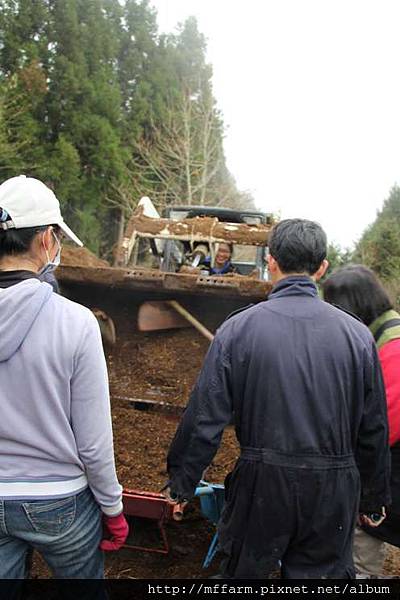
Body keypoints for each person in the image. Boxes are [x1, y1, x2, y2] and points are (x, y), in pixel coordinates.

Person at [166, 218, 391, 579]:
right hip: (332, 490)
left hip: (262, 486)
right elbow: (373, 426)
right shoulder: (358, 337)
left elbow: (205, 417)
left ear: (271, 261)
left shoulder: (238, 329)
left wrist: (182, 483)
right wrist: (374, 496)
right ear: (322, 268)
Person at [0, 175, 128, 583]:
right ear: (44, 240)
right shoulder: (76, 322)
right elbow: (93, 441)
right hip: (59, 501)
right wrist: (112, 507)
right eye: (56, 236)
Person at [323, 265, 400, 577]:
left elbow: (386, 424)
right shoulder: (381, 332)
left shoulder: (393, 347)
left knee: (365, 535)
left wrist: (355, 475)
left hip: (392, 468)